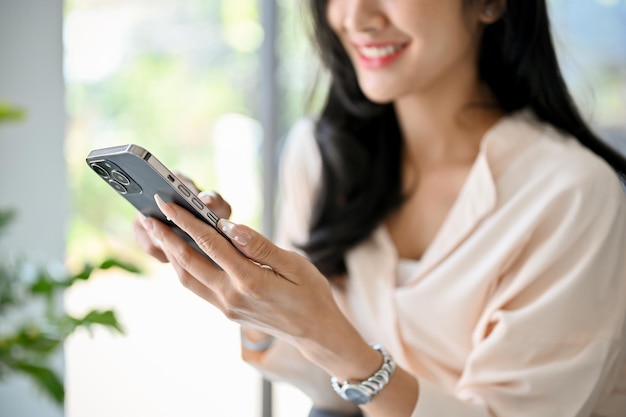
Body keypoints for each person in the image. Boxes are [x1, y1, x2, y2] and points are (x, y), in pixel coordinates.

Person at [133, 0, 626, 416]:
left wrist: (334, 341)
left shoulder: (572, 194)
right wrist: (248, 296)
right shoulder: (321, 156)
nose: (355, 15)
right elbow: (338, 392)